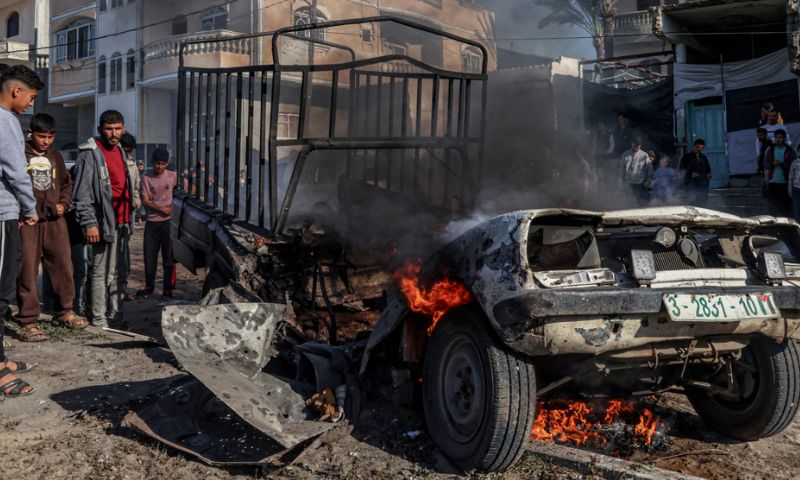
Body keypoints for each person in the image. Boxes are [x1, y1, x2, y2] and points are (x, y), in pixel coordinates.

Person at [14, 114, 88, 342]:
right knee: (26, 269)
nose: (46, 141)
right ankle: (28, 321)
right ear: (31, 134)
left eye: (50, 136)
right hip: (28, 221)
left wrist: (64, 204)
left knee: (63, 266)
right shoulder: (19, 155)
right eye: (41, 136)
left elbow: (67, 183)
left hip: (56, 222)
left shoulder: (55, 156)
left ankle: (64, 311)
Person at [0, 65, 42, 397]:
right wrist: (30, 209)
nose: (30, 104)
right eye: (30, 96)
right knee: (1, 295)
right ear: (16, 91)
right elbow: (16, 171)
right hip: (2, 216)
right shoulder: (5, 121)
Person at [72, 110, 135, 328]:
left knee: (118, 273)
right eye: (109, 129)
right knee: (100, 273)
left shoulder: (119, 150)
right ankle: (99, 320)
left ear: (123, 128)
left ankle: (116, 318)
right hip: (102, 223)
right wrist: (89, 223)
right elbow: (82, 194)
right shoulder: (90, 154)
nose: (113, 133)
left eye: (117, 128)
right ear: (100, 130)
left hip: (122, 221)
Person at [136, 148, 177, 299]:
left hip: (168, 224)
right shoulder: (146, 178)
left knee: (168, 258)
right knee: (149, 257)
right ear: (152, 163)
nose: (160, 167)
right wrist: (162, 208)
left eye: (163, 164)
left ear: (167, 164)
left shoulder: (173, 176)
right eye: (157, 164)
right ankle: (149, 286)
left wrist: (172, 208)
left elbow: (189, 190)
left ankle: (168, 289)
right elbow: (145, 201)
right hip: (152, 223)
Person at [118, 133, 141, 302]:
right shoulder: (110, 160)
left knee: (124, 257)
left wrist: (136, 201)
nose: (128, 154)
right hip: (111, 218)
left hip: (127, 217)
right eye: (126, 150)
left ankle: (122, 289)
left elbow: (136, 187)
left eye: (130, 151)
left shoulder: (132, 165)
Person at [764, 129, 796, 217]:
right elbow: (765, 164)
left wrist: (781, 164)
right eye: (777, 137)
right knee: (773, 205)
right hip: (772, 181)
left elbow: (794, 166)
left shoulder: (789, 150)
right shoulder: (770, 149)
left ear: (784, 138)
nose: (778, 139)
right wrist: (772, 164)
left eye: (780, 137)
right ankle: (773, 223)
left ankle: (786, 224)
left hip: (785, 182)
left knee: (785, 205)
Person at [679, 139, 712, 207]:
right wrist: (691, 174)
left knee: (702, 202)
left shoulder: (704, 158)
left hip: (702, 184)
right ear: (694, 146)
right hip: (691, 184)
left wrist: (708, 174)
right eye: (698, 147)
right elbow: (681, 169)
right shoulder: (686, 157)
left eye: (701, 147)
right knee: (692, 202)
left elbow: (708, 169)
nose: (699, 149)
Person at [620, 138, 653, 207]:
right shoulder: (625, 155)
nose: (636, 148)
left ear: (640, 146)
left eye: (638, 146)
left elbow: (650, 168)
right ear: (631, 145)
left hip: (640, 183)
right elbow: (622, 169)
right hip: (628, 182)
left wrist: (649, 179)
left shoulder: (644, 155)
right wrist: (621, 180)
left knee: (640, 202)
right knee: (629, 202)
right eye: (634, 146)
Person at [788, 148, 800, 221]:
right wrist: (790, 189)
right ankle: (798, 227)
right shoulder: (795, 163)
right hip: (796, 189)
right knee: (797, 209)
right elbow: (791, 177)